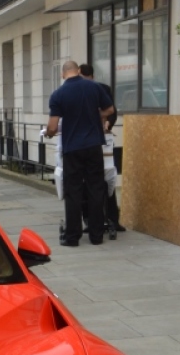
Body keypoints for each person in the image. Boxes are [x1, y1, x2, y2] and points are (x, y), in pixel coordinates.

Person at [46, 60, 115, 247]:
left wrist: (49, 132)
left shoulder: (58, 94)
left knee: (73, 191)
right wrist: (95, 114)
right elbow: (110, 109)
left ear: (63, 74)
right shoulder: (93, 87)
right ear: (78, 71)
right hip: (94, 146)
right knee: (95, 189)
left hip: (72, 148)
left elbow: (52, 126)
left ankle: (72, 237)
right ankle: (96, 235)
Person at [80, 63, 124, 234]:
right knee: (89, 182)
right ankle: (89, 219)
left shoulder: (103, 88)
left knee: (108, 179)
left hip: (103, 138)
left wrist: (108, 123)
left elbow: (112, 111)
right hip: (88, 141)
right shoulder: (77, 90)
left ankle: (113, 218)